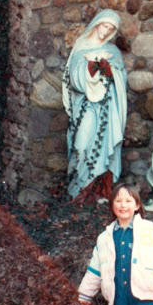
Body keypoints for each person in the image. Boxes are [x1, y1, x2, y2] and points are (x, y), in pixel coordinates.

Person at [62, 10, 127, 202]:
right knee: (81, 143)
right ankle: (79, 188)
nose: (106, 31)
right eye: (104, 26)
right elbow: (73, 78)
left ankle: (99, 192)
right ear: (97, 24)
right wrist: (89, 71)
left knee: (104, 146)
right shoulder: (81, 47)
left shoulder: (113, 51)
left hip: (107, 108)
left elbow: (121, 78)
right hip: (86, 107)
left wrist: (110, 70)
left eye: (111, 29)